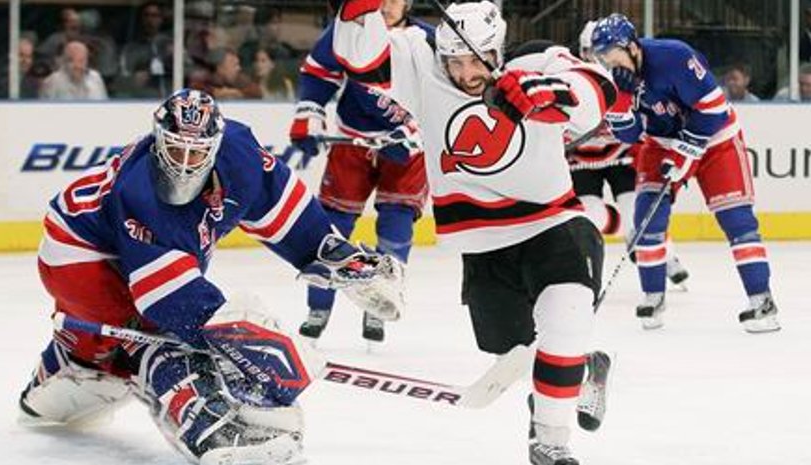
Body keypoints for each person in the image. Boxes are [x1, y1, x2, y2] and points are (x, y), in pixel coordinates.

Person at [17, 89, 404, 465]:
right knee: (161, 340)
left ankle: (70, 364)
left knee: (142, 345)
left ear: (216, 146)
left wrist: (336, 255)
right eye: (176, 150)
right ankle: (208, 428)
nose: (185, 164)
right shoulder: (140, 194)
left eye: (197, 152)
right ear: (158, 141)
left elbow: (287, 213)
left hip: (118, 249)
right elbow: (170, 301)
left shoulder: (241, 155)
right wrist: (243, 340)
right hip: (80, 252)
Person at [331, 1, 615, 463]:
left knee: (565, 322)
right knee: (513, 352)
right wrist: (359, 6)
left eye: (475, 60)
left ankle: (550, 441)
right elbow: (359, 57)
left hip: (554, 223)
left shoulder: (536, 60)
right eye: (455, 62)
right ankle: (581, 370)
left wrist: (549, 93)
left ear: (498, 49)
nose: (465, 73)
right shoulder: (422, 64)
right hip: (482, 245)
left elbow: (599, 90)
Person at [591, 13, 781, 333]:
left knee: (738, 221)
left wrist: (686, 150)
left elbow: (714, 109)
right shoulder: (613, 81)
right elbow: (630, 135)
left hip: (717, 140)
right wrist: (622, 100)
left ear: (632, 47)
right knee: (647, 219)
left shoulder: (674, 56)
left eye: (612, 53)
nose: (609, 63)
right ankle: (653, 297)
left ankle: (762, 300)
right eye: (603, 57)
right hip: (661, 144)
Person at [290, 0, 428, 344]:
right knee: (334, 223)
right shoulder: (350, 30)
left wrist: (414, 135)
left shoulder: (427, 40)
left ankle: (380, 302)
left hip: (408, 146)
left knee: (396, 221)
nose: (387, 5)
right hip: (353, 140)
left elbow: (444, 98)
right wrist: (309, 115)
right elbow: (320, 73)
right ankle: (318, 306)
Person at [572, 21, 690, 288]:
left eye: (602, 52)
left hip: (621, 155)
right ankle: (627, 232)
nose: (597, 58)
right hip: (582, 161)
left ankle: (666, 255)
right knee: (591, 213)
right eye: (590, 51)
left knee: (635, 209)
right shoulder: (573, 78)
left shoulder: (625, 76)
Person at [119, 1, 172, 98]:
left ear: (161, 19)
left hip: (170, 97)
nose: (150, 20)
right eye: (146, 15)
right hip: (143, 100)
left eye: (154, 16)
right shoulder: (131, 49)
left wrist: (173, 58)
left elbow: (188, 71)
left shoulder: (171, 45)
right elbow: (121, 79)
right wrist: (133, 80)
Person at [40, 40, 108, 100]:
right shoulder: (52, 81)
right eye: (72, 60)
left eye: (81, 60)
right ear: (65, 61)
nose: (78, 65)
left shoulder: (96, 77)